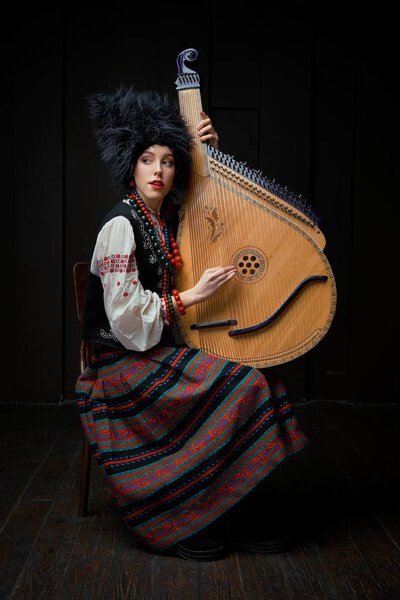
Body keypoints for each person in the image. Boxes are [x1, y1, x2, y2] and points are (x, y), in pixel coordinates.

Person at [76, 85, 308, 562]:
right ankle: (177, 518)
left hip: (155, 351)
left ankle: (231, 510)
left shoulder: (166, 220)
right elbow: (126, 324)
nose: (158, 171)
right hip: (122, 366)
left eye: (168, 160)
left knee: (262, 379)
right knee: (239, 386)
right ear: (130, 166)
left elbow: (212, 209)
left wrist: (208, 149)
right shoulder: (122, 225)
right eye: (147, 160)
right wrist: (191, 297)